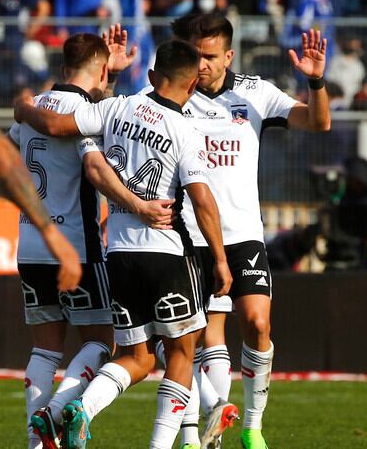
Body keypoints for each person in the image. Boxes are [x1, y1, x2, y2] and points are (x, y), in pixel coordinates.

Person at [15, 39, 233, 449]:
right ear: (191, 88)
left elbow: (64, 130)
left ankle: (68, 412)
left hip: (117, 253)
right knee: (182, 354)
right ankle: (159, 440)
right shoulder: (184, 129)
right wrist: (220, 260)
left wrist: (25, 107)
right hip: (165, 249)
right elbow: (202, 199)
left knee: (137, 357)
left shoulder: (116, 108)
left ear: (151, 76)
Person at [167, 12, 330, 449]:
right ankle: (197, 431)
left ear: (229, 56)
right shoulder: (172, 96)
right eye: (194, 55)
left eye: (209, 56)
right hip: (189, 234)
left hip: (243, 234)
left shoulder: (255, 93)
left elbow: (318, 123)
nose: (201, 64)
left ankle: (252, 426)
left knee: (258, 324)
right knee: (198, 336)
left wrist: (315, 82)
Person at [0, 98, 80, 300]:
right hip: (78, 241)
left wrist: (24, 109)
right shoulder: (87, 108)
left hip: (30, 249)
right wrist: (51, 233)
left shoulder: (37, 104)